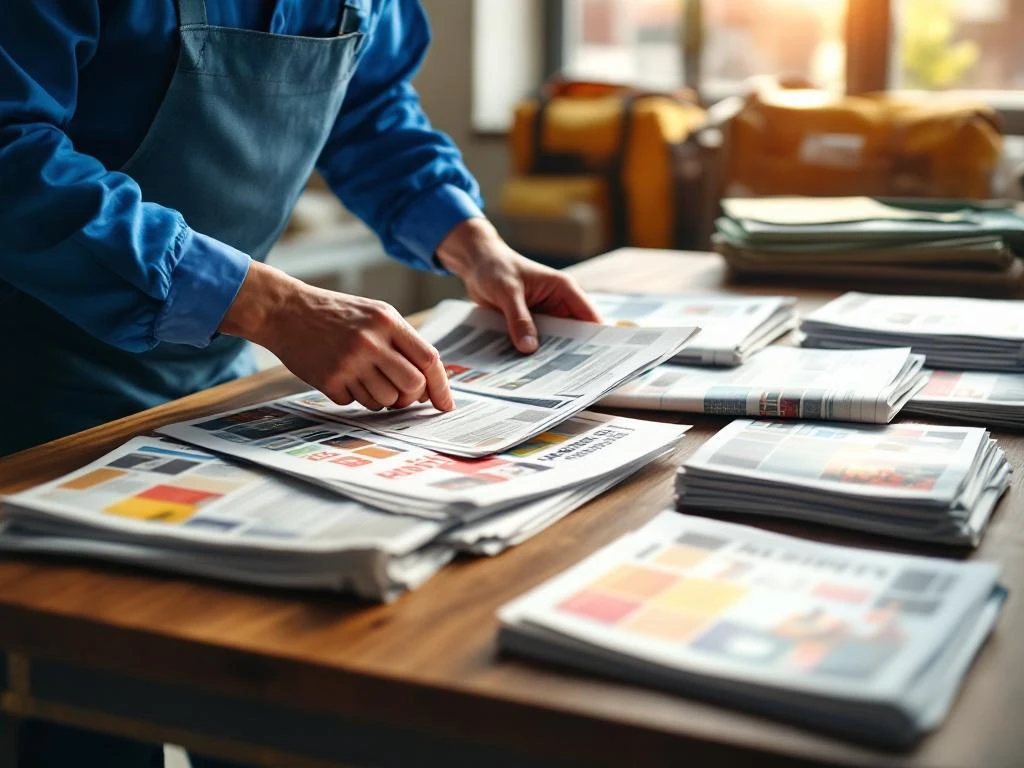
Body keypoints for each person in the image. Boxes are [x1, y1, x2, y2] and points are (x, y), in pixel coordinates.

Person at [0, 0, 599, 764]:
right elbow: (10, 155)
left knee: (255, 689)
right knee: (76, 710)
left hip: (203, 390)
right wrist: (272, 305)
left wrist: (474, 244)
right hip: (26, 394)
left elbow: (370, 109)